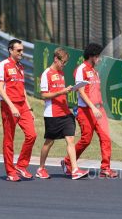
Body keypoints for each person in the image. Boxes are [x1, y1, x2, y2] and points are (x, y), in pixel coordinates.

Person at [60, 43, 118, 178]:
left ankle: (105, 168)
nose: (100, 59)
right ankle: (67, 162)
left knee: (106, 138)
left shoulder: (95, 71)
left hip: (99, 109)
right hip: (86, 110)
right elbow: (80, 90)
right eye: (98, 57)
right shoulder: (82, 69)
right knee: (86, 139)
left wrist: (99, 107)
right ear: (92, 56)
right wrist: (92, 107)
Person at [36, 47, 89, 180]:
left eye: (65, 63)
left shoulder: (61, 74)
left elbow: (61, 92)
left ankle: (75, 169)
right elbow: (44, 95)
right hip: (52, 114)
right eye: (63, 62)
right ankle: (41, 168)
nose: (64, 65)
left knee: (70, 139)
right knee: (49, 142)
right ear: (55, 59)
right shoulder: (46, 74)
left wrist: (69, 90)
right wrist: (61, 92)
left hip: (65, 112)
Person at [0, 39, 37, 181]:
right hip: (9, 106)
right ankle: (10, 172)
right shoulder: (3, 65)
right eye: (18, 50)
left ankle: (21, 165)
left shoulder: (20, 67)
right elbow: (0, 88)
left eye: (22, 50)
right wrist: (11, 106)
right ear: (10, 50)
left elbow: (22, 89)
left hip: (22, 105)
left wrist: (29, 107)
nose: (21, 53)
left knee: (32, 135)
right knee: (9, 139)